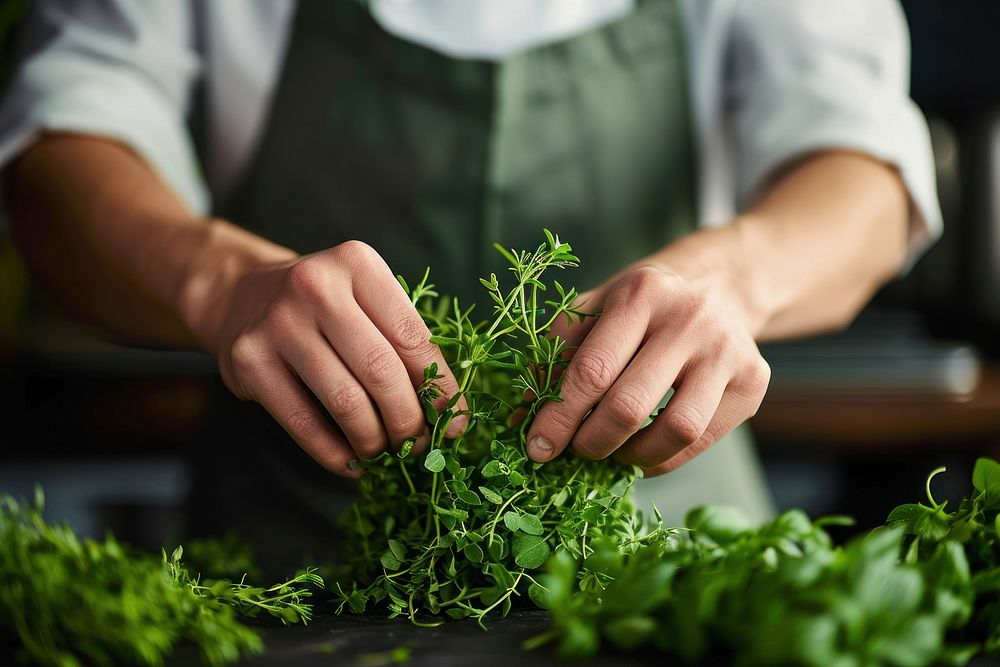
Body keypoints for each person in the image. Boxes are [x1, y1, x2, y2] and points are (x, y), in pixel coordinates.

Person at [0, 0, 939, 566]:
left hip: (661, 554)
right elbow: (58, 142)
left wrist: (733, 278)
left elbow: (865, 167)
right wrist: (219, 282)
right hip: (288, 558)